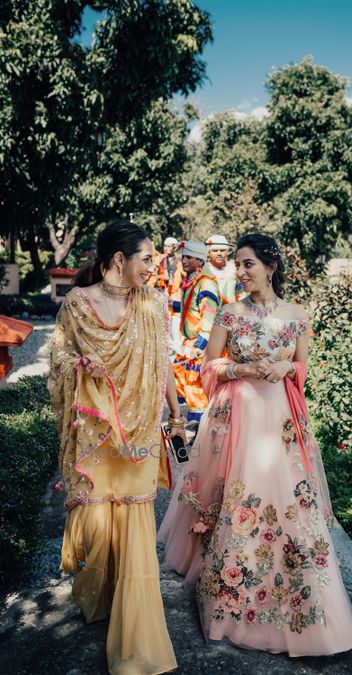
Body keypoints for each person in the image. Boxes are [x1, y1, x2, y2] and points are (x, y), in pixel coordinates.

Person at [159, 233, 352, 657]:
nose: (240, 270)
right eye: (237, 263)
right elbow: (207, 367)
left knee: (288, 504)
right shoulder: (230, 314)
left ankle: (303, 608)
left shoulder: (296, 315)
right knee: (238, 498)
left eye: (248, 263)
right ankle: (232, 596)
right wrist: (245, 367)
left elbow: (302, 366)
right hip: (238, 417)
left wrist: (288, 365)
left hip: (281, 422)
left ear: (270, 267)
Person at [48, 220, 186, 675]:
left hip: (140, 432)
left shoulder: (152, 305)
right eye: (146, 258)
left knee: (136, 532)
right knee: (98, 523)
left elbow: (163, 361)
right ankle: (100, 597)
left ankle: (136, 642)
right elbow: (59, 356)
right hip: (96, 431)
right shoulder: (77, 304)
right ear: (118, 260)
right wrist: (78, 365)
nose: (153, 266)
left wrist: (177, 412)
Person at [172, 240, 220, 424]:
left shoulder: (206, 284)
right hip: (188, 342)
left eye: (189, 257)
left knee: (196, 387)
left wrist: (200, 345)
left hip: (200, 343)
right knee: (182, 381)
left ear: (200, 261)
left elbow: (209, 316)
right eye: (183, 256)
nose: (184, 260)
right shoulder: (192, 279)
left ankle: (203, 428)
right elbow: (191, 309)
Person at [147, 236, 184, 354]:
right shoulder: (160, 259)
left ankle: (177, 348)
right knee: (164, 320)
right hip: (162, 293)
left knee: (175, 321)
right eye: (165, 246)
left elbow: (183, 275)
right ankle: (167, 348)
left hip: (176, 293)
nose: (167, 249)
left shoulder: (180, 261)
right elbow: (152, 274)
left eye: (170, 246)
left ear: (175, 248)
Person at [205, 234, 244, 306]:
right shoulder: (203, 269)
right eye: (215, 250)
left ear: (227, 252)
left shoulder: (234, 269)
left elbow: (240, 294)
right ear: (208, 252)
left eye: (222, 250)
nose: (219, 253)